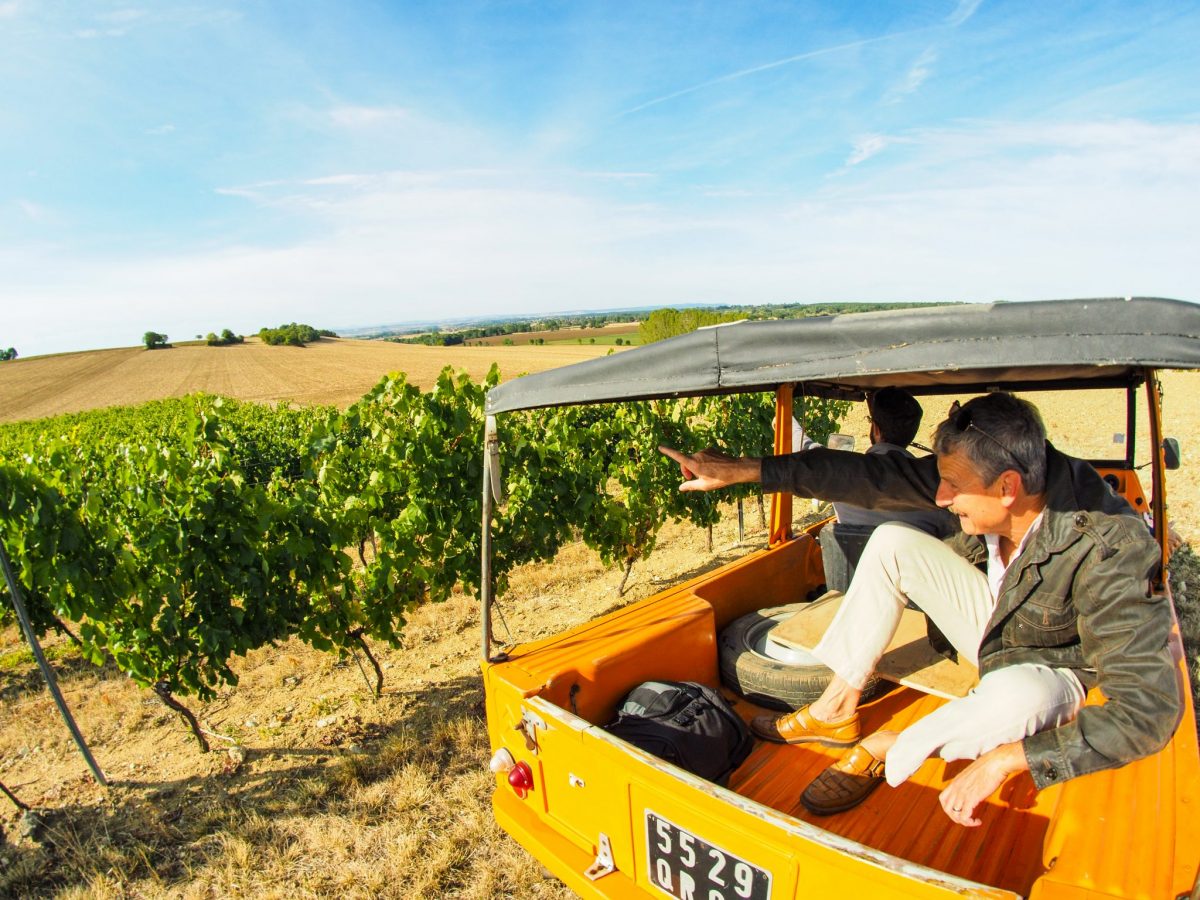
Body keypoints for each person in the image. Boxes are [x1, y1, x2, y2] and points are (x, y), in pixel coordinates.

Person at [660, 392, 1182, 827]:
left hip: (1051, 662)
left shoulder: (1110, 548)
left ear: (1008, 488)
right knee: (891, 539)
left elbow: (1147, 712)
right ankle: (834, 710)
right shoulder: (990, 467)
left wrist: (1009, 759)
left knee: (1021, 694)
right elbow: (865, 477)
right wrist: (748, 469)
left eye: (953, 486)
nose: (939, 495)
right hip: (1000, 622)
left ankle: (891, 745)